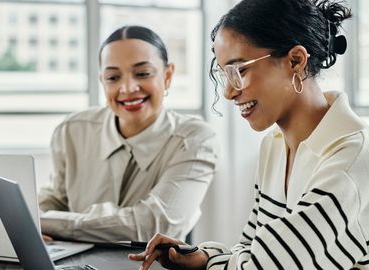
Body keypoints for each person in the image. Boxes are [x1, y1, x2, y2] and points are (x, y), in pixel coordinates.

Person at [130, 0, 369, 269]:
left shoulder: (353, 161)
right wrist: (203, 257)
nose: (229, 92)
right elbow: (251, 247)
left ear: (296, 60)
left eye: (240, 70)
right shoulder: (274, 146)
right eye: (224, 74)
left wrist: (212, 264)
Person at [38, 25, 218, 242]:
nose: (128, 88)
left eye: (142, 74)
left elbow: (154, 227)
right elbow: (56, 200)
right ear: (102, 82)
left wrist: (46, 222)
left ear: (167, 76)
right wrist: (31, 221)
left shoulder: (195, 139)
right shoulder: (72, 131)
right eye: (113, 78)